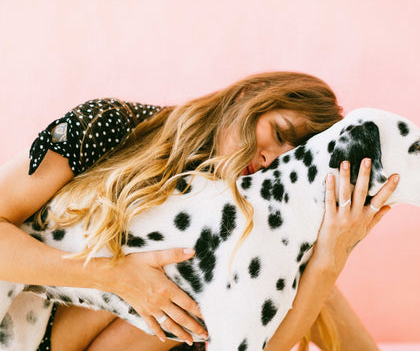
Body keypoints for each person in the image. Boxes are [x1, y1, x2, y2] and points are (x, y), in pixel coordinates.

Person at [0, 71, 398, 350]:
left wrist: (329, 257)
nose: (268, 160)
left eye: (286, 159)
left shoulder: (255, 221)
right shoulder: (109, 126)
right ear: (250, 93)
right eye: (276, 133)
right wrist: (116, 277)